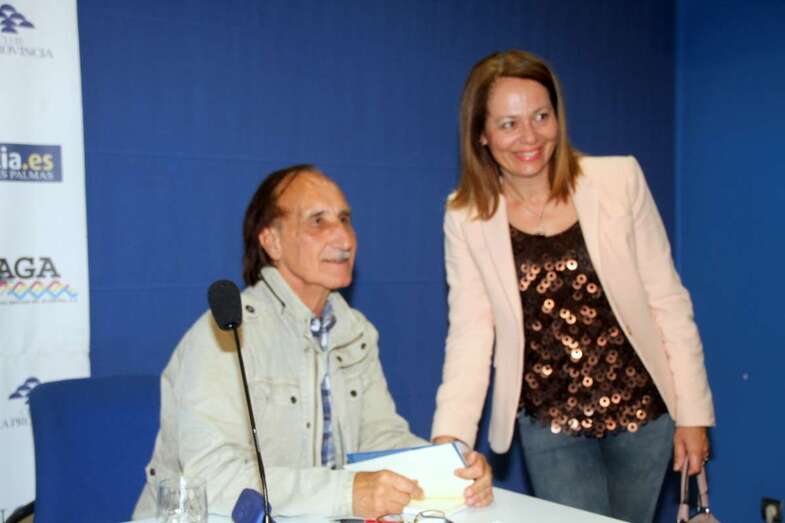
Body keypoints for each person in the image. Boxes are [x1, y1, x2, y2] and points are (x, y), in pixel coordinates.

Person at [430, 50, 715, 523]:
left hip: (644, 413)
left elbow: (667, 300)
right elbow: (470, 335)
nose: (530, 137)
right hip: (550, 424)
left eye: (541, 116)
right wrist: (450, 440)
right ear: (480, 134)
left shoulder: (619, 179)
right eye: (508, 124)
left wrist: (693, 414)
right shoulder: (466, 215)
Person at [133, 165, 492, 520]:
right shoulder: (226, 333)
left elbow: (379, 435)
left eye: (345, 219)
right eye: (318, 221)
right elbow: (211, 478)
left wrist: (449, 468)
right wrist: (346, 493)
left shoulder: (356, 331)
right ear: (271, 240)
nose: (344, 238)